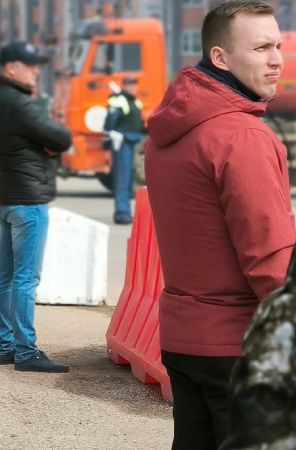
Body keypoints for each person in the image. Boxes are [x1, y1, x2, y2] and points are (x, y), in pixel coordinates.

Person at [144, 2, 296, 448]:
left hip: (183, 339)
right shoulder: (242, 136)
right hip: (237, 346)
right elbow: (270, 257)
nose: (276, 59)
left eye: (278, 45)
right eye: (261, 47)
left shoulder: (170, 131)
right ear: (220, 58)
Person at [0, 41, 72, 373]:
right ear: (11, 68)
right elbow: (61, 138)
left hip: (7, 197)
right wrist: (48, 143)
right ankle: (25, 351)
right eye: (31, 65)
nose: (37, 71)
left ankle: (5, 346)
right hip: (28, 200)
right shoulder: (19, 103)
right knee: (25, 279)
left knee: (6, 276)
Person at [103, 76, 145, 224]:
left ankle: (126, 212)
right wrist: (110, 137)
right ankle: (122, 213)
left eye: (134, 84)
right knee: (122, 178)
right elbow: (109, 122)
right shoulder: (118, 100)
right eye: (129, 84)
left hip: (133, 142)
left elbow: (139, 124)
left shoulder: (136, 101)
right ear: (124, 86)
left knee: (129, 180)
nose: (132, 87)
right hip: (122, 143)